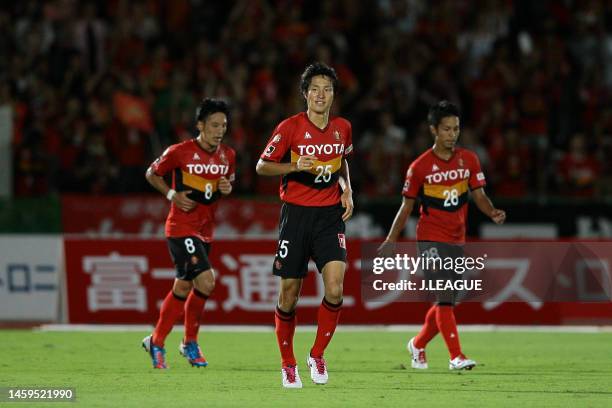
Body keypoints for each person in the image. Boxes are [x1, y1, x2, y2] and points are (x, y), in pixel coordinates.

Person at [378, 100, 505, 371]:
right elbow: (406, 206)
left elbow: (479, 195)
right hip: (430, 237)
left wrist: (492, 212)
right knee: (445, 295)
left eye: (456, 129)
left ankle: (418, 344)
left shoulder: (469, 159)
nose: (452, 134)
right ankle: (455, 356)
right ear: (434, 130)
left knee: (446, 301)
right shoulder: (420, 167)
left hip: (457, 236)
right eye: (446, 129)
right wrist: (391, 239)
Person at [256, 62, 354, 388]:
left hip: (329, 217)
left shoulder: (343, 128)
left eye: (327, 88)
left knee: (336, 287)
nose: (321, 94)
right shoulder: (290, 128)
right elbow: (262, 166)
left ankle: (317, 353)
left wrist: (347, 189)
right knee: (289, 295)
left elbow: (343, 162)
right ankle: (288, 363)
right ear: (305, 94)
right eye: (315, 89)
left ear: (333, 95)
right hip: (296, 215)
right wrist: (294, 164)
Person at [141, 98, 235, 369]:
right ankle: (188, 342)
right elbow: (151, 173)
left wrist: (225, 188)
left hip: (206, 230)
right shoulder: (179, 151)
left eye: (224, 126)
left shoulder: (228, 156)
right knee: (206, 282)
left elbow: (223, 185)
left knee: (184, 285)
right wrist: (172, 194)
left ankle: (157, 341)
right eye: (214, 125)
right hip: (181, 228)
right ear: (200, 125)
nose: (220, 130)